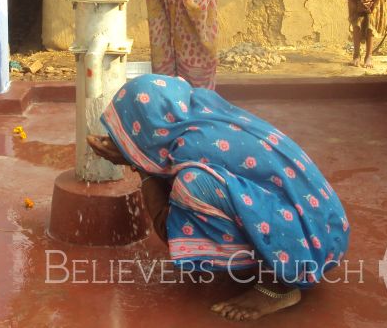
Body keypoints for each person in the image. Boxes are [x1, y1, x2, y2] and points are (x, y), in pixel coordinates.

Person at [87, 74, 349, 322]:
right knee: (196, 183)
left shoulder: (189, 149)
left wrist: (139, 163)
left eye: (129, 132)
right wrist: (137, 153)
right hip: (327, 226)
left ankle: (279, 287)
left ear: (151, 128)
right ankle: (270, 258)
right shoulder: (202, 117)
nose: (121, 140)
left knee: (191, 186)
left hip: (311, 248)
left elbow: (167, 226)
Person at [345, 0, 381, 68]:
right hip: (356, 10)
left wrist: (369, 7)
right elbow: (353, 14)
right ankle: (356, 55)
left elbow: (374, 12)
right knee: (356, 25)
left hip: (372, 11)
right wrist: (358, 6)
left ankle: (369, 56)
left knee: (370, 26)